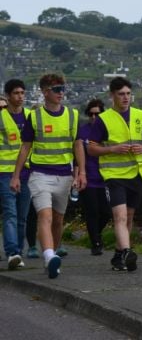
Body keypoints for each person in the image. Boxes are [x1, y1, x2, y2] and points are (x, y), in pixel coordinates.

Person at [10, 73, 86, 279]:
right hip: (39, 174)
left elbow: (78, 145)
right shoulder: (34, 117)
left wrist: (82, 173)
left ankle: (52, 252)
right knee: (46, 215)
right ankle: (49, 256)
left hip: (64, 175)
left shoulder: (72, 115)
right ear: (45, 92)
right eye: (57, 89)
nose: (61, 93)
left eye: (63, 89)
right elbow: (25, 148)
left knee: (58, 221)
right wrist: (16, 176)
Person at [87, 77, 142, 271]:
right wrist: (113, 149)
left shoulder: (140, 115)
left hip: (135, 173)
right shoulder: (103, 119)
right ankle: (127, 251)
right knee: (120, 216)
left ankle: (118, 256)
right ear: (112, 96)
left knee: (130, 216)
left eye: (128, 94)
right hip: (114, 176)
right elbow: (91, 149)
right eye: (121, 94)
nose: (125, 98)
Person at [0, 80, 31, 269]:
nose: (20, 96)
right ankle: (12, 252)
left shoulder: (30, 117)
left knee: (22, 216)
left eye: (22, 93)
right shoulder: (2, 117)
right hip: (5, 171)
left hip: (27, 172)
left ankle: (18, 252)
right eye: (16, 93)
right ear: (8, 95)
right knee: (10, 213)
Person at [78, 99, 111, 256]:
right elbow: (77, 156)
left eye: (97, 114)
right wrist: (78, 175)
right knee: (92, 211)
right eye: (90, 114)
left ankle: (94, 234)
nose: (93, 117)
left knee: (106, 212)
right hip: (87, 176)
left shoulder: (107, 131)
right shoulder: (83, 131)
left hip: (103, 176)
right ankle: (96, 243)